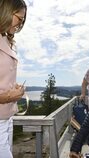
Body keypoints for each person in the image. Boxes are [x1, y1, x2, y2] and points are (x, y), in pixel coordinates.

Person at [0, 0, 27, 157]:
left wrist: (12, 88)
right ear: (6, 12)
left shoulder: (5, 39)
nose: (21, 24)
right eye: (20, 18)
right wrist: (8, 96)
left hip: (6, 118)